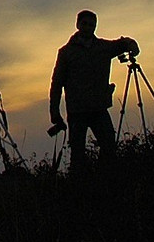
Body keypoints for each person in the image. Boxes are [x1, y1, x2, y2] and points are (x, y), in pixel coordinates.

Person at [48, 10, 138, 176]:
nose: (88, 28)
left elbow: (123, 43)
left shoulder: (103, 47)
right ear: (77, 25)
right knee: (78, 155)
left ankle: (103, 179)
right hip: (77, 111)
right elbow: (57, 83)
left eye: (92, 25)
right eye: (85, 24)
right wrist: (54, 112)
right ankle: (80, 189)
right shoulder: (66, 52)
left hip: (99, 108)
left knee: (109, 147)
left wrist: (132, 44)